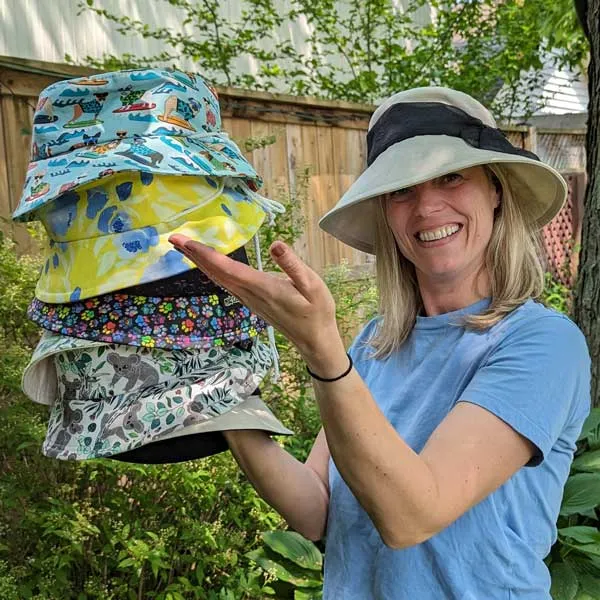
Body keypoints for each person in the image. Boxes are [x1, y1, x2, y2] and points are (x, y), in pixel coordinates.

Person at [168, 87, 591, 599]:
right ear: (386, 214)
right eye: (401, 190)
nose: (427, 206)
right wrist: (227, 391)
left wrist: (323, 353)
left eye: (451, 177)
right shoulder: (374, 344)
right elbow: (316, 510)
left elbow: (413, 516)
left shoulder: (542, 343)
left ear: (496, 190)